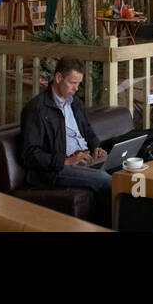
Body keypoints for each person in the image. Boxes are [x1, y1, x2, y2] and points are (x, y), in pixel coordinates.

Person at [20, 57, 111, 225]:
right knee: (105, 180)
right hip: (57, 168)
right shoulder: (36, 109)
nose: (76, 89)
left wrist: (96, 147)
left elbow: (88, 132)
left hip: (85, 158)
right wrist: (66, 160)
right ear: (58, 78)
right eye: (73, 83)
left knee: (124, 170)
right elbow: (30, 154)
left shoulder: (75, 103)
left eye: (79, 84)